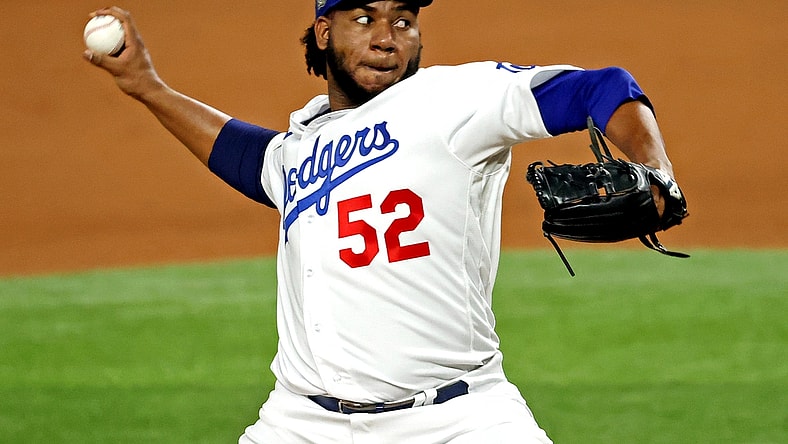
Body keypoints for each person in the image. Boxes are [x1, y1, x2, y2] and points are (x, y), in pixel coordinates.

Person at [84, 1, 680, 442]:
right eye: (363, 19)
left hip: (458, 419)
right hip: (302, 422)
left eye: (403, 20)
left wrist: (655, 169)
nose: (387, 37)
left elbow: (602, 88)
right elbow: (247, 158)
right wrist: (147, 87)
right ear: (324, 32)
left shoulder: (456, 101)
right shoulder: (302, 145)